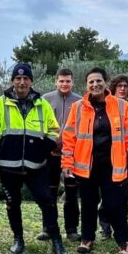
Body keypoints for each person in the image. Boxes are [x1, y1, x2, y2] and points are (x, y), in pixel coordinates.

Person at [0, 63, 71, 254]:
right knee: (12, 204)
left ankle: (56, 240)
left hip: (37, 166)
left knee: (47, 203)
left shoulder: (42, 104)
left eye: (26, 79)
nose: (22, 82)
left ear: (31, 81)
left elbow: (53, 130)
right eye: (18, 78)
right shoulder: (0, 103)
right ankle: (18, 239)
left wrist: (42, 149)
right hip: (8, 167)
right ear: (13, 80)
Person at [62, 68, 128, 254]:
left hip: (113, 165)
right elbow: (69, 138)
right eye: (91, 82)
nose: (95, 85)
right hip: (85, 167)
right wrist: (66, 163)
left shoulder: (122, 106)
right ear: (86, 85)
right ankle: (87, 239)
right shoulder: (78, 107)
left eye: (98, 81)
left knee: (114, 205)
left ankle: (124, 242)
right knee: (88, 204)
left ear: (105, 83)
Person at [39, 68, 82, 242]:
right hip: (50, 154)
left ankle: (71, 230)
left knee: (72, 194)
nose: (64, 84)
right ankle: (48, 228)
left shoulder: (80, 101)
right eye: (61, 81)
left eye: (68, 81)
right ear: (55, 81)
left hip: (72, 155)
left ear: (72, 82)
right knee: (48, 193)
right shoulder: (45, 99)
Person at [98, 74, 128, 240]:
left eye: (125, 86)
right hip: (108, 159)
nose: (122, 89)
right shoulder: (104, 105)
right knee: (107, 196)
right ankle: (105, 226)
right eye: (119, 86)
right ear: (113, 88)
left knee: (123, 196)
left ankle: (121, 229)